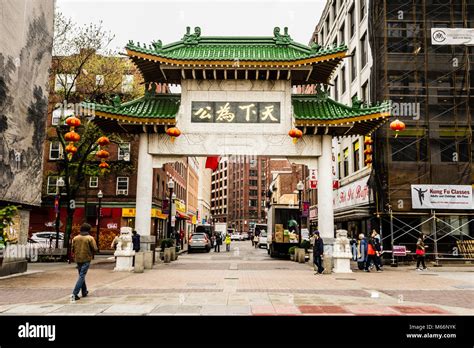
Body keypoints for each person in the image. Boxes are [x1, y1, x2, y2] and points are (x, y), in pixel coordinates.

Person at [71, 223, 98, 302]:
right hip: (86, 258)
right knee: (82, 276)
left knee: (81, 275)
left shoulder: (75, 238)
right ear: (88, 230)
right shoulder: (90, 238)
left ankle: (84, 291)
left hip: (78, 259)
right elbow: (95, 248)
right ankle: (74, 294)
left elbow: (73, 249)